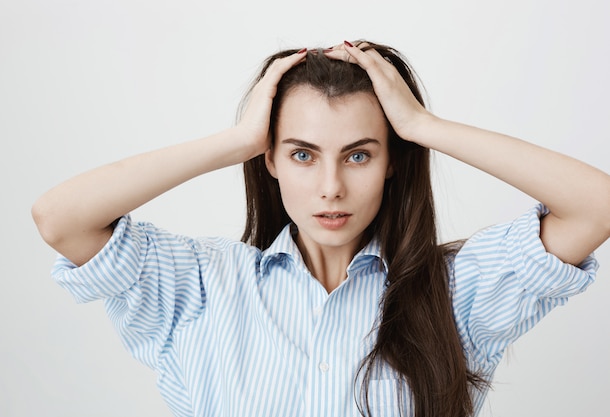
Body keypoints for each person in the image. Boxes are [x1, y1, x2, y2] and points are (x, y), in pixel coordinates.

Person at [32, 40, 610, 417]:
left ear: (392, 161)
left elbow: (596, 206)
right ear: (271, 159)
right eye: (303, 155)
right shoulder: (202, 286)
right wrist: (236, 140)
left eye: (358, 155)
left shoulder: (456, 292)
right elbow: (59, 218)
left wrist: (422, 125)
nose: (331, 187)